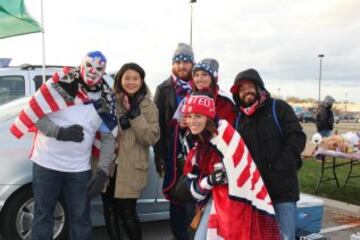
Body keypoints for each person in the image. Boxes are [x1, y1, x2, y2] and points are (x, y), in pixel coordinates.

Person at [9, 51, 118, 240]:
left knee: (81, 218)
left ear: (104, 71)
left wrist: (102, 170)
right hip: (46, 163)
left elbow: (109, 137)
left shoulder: (105, 96)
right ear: (82, 64)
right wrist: (60, 132)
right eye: (90, 65)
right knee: (43, 216)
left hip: (79, 169)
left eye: (99, 68)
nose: (93, 71)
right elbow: (35, 113)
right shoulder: (61, 83)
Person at [182, 92, 281, 240]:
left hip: (239, 203)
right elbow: (194, 189)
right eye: (189, 116)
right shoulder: (191, 142)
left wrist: (224, 178)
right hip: (211, 201)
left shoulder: (225, 135)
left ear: (208, 117)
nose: (193, 121)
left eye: (198, 116)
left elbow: (243, 176)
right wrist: (210, 181)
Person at [230, 68, 306, 240]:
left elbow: (297, 138)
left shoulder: (278, 108)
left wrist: (280, 168)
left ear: (259, 88)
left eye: (250, 86)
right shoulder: (239, 120)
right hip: (255, 194)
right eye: (241, 89)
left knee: (284, 236)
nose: (246, 91)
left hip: (283, 191)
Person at [101, 63, 160, 240]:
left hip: (131, 167)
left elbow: (151, 138)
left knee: (127, 213)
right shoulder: (111, 100)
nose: (131, 82)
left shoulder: (148, 106)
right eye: (127, 78)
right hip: (109, 166)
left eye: (136, 78)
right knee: (109, 210)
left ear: (142, 81)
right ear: (120, 79)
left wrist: (136, 117)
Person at [153, 42, 195, 240]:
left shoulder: (200, 86)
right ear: (172, 64)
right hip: (174, 153)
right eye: (178, 61)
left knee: (195, 198)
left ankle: (193, 234)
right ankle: (179, 235)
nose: (182, 66)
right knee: (176, 198)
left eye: (186, 61)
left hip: (197, 153)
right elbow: (158, 125)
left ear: (192, 64)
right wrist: (159, 156)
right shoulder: (163, 89)